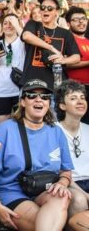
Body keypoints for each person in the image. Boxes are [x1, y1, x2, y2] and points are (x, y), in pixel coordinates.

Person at [0, 78, 73, 231]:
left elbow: (66, 170)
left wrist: (62, 183)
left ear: (48, 103)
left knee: (62, 198)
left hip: (44, 189)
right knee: (47, 222)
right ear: (23, 102)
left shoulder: (56, 132)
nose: (39, 99)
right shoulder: (4, 130)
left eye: (45, 97)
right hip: (11, 192)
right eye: (32, 95)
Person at [20, 0, 80, 89]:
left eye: (50, 8)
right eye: (42, 7)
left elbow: (76, 57)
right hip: (32, 86)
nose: (45, 10)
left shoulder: (65, 33)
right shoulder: (33, 24)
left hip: (56, 86)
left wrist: (63, 60)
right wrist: (51, 47)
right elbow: (26, 36)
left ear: (57, 12)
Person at [55, 80, 89, 222]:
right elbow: (57, 170)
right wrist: (86, 195)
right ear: (62, 105)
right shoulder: (53, 131)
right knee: (80, 200)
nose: (80, 101)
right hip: (69, 182)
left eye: (82, 98)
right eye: (73, 98)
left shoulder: (88, 129)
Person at [0, 14, 26, 124]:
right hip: (0, 92)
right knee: (2, 127)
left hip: (19, 91)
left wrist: (17, 25)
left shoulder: (24, 43)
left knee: (20, 126)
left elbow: (25, 36)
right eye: (5, 23)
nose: (8, 25)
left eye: (11, 22)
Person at [65, 6, 89, 123]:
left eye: (83, 18)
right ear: (69, 24)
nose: (81, 22)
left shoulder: (88, 41)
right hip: (76, 90)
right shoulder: (68, 40)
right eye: (76, 19)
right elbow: (64, 64)